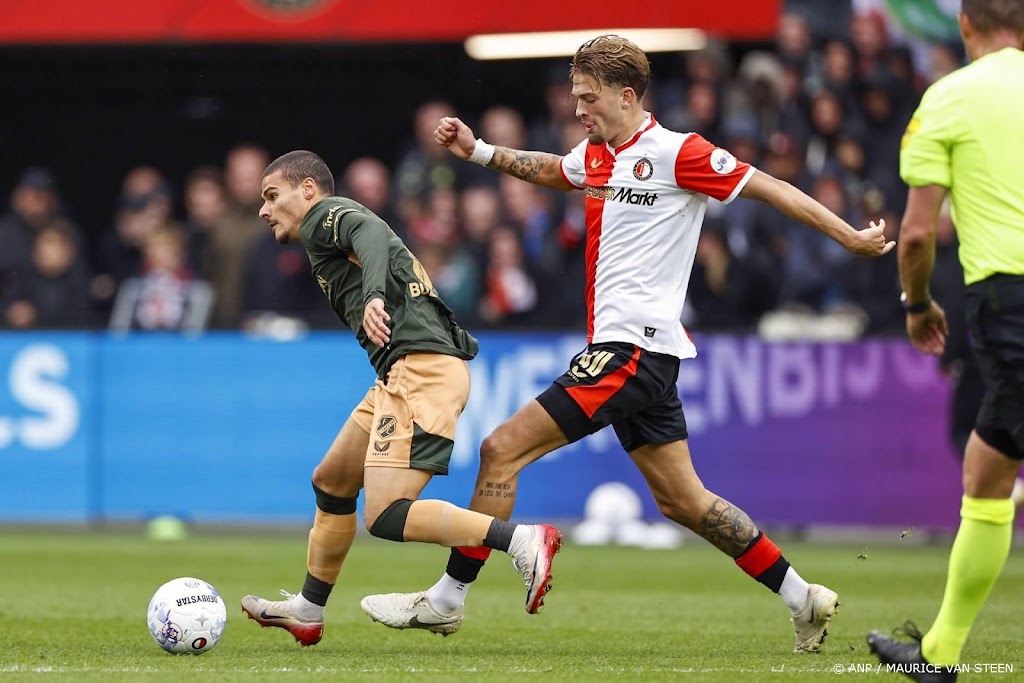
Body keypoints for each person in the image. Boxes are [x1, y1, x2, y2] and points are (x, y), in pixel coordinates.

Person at [360, 34, 895, 653]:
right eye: (574, 97)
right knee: (684, 501)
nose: (578, 109)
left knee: (501, 449)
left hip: (631, 351)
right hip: (645, 356)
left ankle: (448, 599)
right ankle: (803, 596)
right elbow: (546, 169)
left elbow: (770, 186)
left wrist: (848, 235)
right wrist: (477, 151)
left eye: (588, 99)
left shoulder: (678, 153)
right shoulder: (596, 153)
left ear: (628, 94)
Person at [239, 150, 562, 646]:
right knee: (332, 482)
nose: (264, 209)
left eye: (271, 195)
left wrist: (372, 295)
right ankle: (308, 608)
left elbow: (368, 231)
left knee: (386, 516)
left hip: (421, 370)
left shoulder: (326, 213)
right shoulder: (318, 237)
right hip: (401, 372)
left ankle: (520, 540)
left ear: (307, 190)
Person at [867, 3, 1024, 681]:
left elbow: (920, 234)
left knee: (989, 471)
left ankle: (941, 654)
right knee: (989, 464)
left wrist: (917, 304)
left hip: (1009, 301)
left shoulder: (950, 98)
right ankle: (938, 652)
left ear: (963, 24)